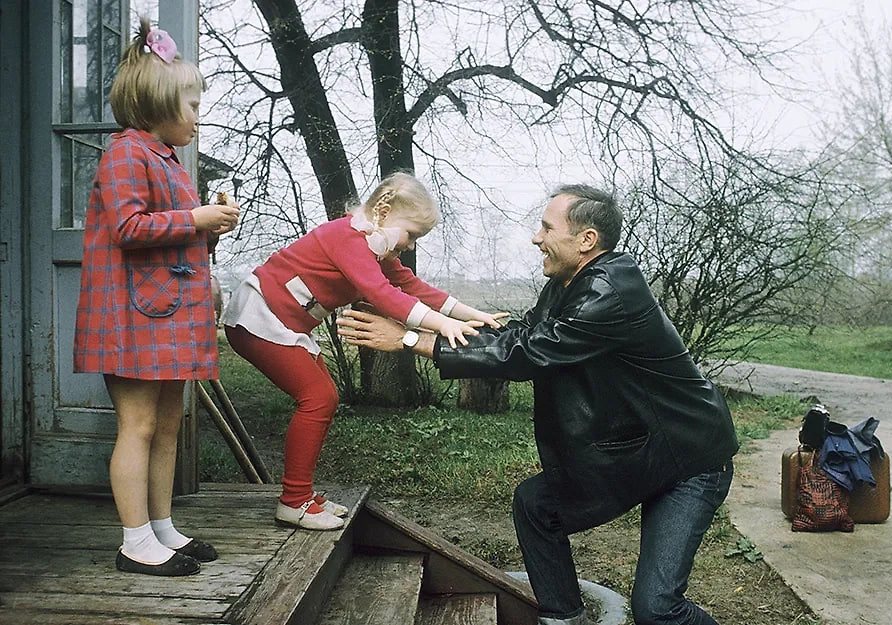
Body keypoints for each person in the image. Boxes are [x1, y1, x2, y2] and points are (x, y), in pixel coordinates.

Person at [336, 184, 739, 625]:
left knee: (657, 610)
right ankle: (565, 617)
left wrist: (411, 339)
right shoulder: (567, 284)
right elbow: (521, 336)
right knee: (536, 504)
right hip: (636, 455)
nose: (536, 238)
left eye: (547, 228)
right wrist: (428, 324)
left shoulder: (608, 291)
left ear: (586, 240)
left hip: (688, 461)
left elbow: (528, 353)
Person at [222, 171, 506, 531]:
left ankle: (300, 494)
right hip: (259, 317)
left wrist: (471, 314)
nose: (411, 246)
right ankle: (294, 501)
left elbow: (413, 286)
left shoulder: (374, 247)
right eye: (412, 235)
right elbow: (383, 295)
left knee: (323, 399)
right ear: (384, 214)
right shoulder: (347, 238)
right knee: (318, 399)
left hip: (283, 323)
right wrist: (441, 325)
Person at [73, 19, 240, 577]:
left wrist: (209, 227)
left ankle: (161, 527)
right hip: (130, 317)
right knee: (139, 427)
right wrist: (196, 218)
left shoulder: (166, 158)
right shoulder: (125, 154)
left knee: (168, 427)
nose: (197, 117)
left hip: (164, 315)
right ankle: (134, 542)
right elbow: (127, 228)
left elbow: (171, 237)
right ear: (157, 104)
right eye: (191, 106)